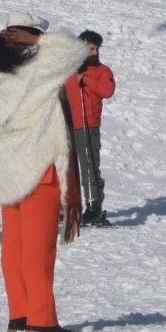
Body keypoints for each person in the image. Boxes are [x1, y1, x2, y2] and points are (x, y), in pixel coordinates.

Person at [0, 12, 86, 332]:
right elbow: (76, 49)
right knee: (39, 250)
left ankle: (19, 315)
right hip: (39, 166)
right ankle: (41, 320)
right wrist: (38, 41)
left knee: (13, 247)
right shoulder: (40, 69)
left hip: (8, 165)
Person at [64, 30, 116, 227]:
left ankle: (94, 206)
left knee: (89, 167)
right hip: (70, 125)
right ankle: (70, 205)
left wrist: (86, 81)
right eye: (90, 49)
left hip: (88, 125)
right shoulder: (71, 70)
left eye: (96, 49)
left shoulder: (102, 71)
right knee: (70, 168)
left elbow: (107, 90)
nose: (94, 53)